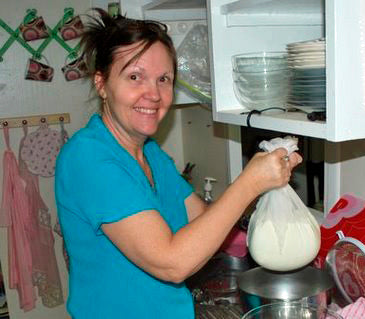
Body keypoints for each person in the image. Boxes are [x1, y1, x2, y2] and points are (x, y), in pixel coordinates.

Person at [54, 8, 302, 319]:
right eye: (135, 77)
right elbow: (171, 263)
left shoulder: (151, 152)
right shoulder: (88, 159)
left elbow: (202, 217)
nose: (153, 94)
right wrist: (249, 183)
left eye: (164, 79)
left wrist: (268, 207)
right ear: (102, 83)